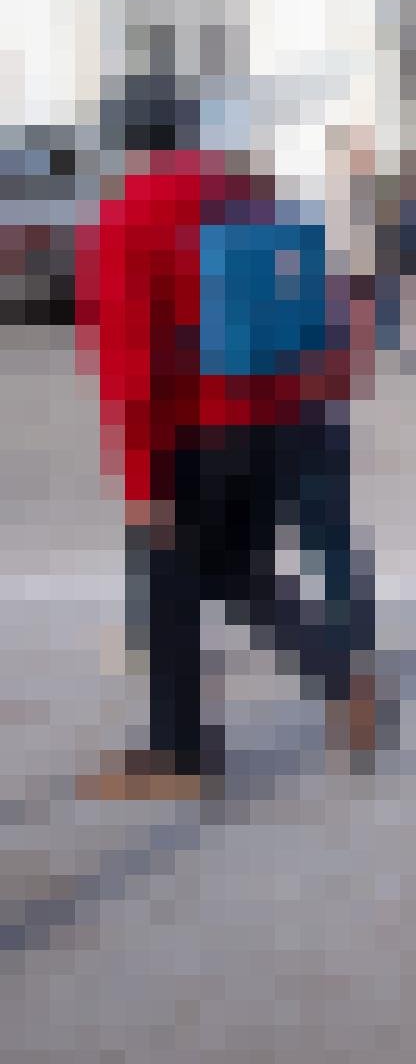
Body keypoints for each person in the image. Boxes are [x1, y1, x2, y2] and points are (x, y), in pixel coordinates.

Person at [74, 72, 385, 799]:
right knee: (231, 569)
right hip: (278, 420)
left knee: (169, 578)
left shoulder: (128, 215)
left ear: (124, 138)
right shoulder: (250, 195)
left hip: (192, 431)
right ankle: (341, 674)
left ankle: (181, 755)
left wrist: (144, 477)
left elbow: (131, 361)